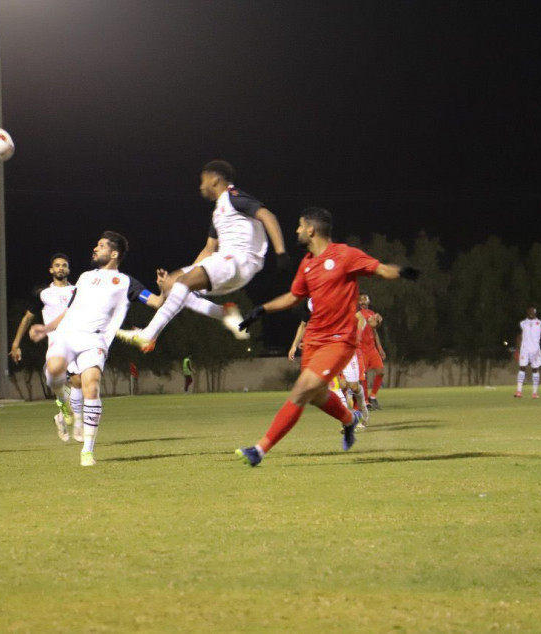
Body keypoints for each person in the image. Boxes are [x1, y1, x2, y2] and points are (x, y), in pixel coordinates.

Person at [234, 207, 420, 466]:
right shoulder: (308, 264)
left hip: (339, 341)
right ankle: (349, 419)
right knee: (317, 395)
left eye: (300, 226)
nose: (297, 230)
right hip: (313, 341)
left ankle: (259, 450)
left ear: (311, 229)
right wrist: (261, 310)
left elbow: (379, 269)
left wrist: (401, 271)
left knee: (300, 391)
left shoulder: (345, 255)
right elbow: (294, 297)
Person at [117, 160, 290, 351]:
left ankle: (148, 335)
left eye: (203, 180)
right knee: (173, 285)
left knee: (183, 283)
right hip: (229, 264)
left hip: (238, 260)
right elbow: (208, 250)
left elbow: (267, 216)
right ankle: (224, 313)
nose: (201, 186)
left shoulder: (234, 197)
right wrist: (188, 277)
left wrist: (280, 252)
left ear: (214, 180)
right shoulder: (219, 211)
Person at [30, 231, 166, 466]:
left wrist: (164, 289)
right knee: (54, 376)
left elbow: (156, 302)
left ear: (113, 254)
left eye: (100, 246)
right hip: (67, 335)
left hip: (95, 342)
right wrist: (46, 327)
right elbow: (69, 310)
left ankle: (87, 451)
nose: (95, 248)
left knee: (91, 387)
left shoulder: (125, 282)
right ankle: (62, 402)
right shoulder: (83, 278)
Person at [11, 253, 84, 442]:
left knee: (78, 382)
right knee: (56, 383)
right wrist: (16, 343)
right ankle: (64, 414)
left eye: (64, 265)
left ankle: (70, 421)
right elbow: (27, 318)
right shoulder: (43, 293)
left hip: (76, 342)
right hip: (56, 345)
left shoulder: (78, 291)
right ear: (51, 270)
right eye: (57, 265)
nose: (61, 268)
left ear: (68, 270)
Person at [514, 305, 541, 399]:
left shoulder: (540, 323)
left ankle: (534, 393)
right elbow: (519, 337)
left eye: (532, 312)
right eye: (529, 312)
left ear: (535, 313)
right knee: (522, 368)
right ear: (527, 312)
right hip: (524, 349)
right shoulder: (523, 323)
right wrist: (517, 350)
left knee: (535, 369)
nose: (531, 313)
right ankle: (519, 391)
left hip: (535, 350)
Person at [358, 294, 386, 409]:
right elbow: (371, 323)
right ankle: (365, 401)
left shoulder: (371, 312)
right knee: (363, 376)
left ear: (368, 302)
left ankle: (373, 396)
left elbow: (375, 331)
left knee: (380, 371)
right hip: (361, 348)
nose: (363, 302)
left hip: (371, 348)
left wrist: (380, 348)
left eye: (365, 300)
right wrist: (377, 320)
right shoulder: (358, 314)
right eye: (361, 300)